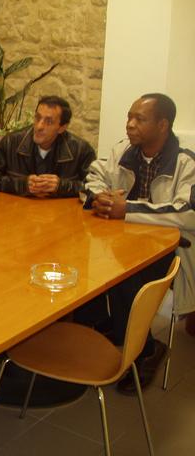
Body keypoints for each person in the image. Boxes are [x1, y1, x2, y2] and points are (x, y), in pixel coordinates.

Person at [84, 93, 195, 394]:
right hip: (121, 242)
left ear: (163, 125)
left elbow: (187, 212)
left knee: (126, 278)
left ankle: (146, 350)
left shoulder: (185, 162)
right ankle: (108, 325)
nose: (130, 124)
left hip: (172, 248)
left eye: (139, 119)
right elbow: (93, 177)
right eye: (129, 117)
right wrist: (101, 196)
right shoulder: (122, 150)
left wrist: (128, 210)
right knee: (84, 262)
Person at [0, 95, 96, 197]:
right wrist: (21, 185)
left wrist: (62, 186)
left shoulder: (82, 150)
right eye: (37, 118)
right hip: (17, 208)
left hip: (61, 210)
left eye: (49, 122)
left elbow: (96, 188)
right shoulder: (10, 142)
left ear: (62, 128)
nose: (39, 126)